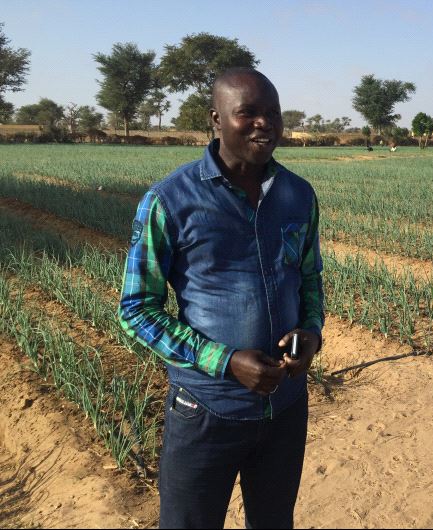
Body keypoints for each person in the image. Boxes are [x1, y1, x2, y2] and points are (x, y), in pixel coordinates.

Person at [119, 67, 324, 529]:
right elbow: (136, 310)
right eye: (247, 112)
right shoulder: (169, 200)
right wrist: (225, 360)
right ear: (215, 119)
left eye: (272, 113)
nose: (264, 123)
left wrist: (311, 332)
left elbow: (309, 278)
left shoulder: (298, 195)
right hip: (206, 410)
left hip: (285, 408)